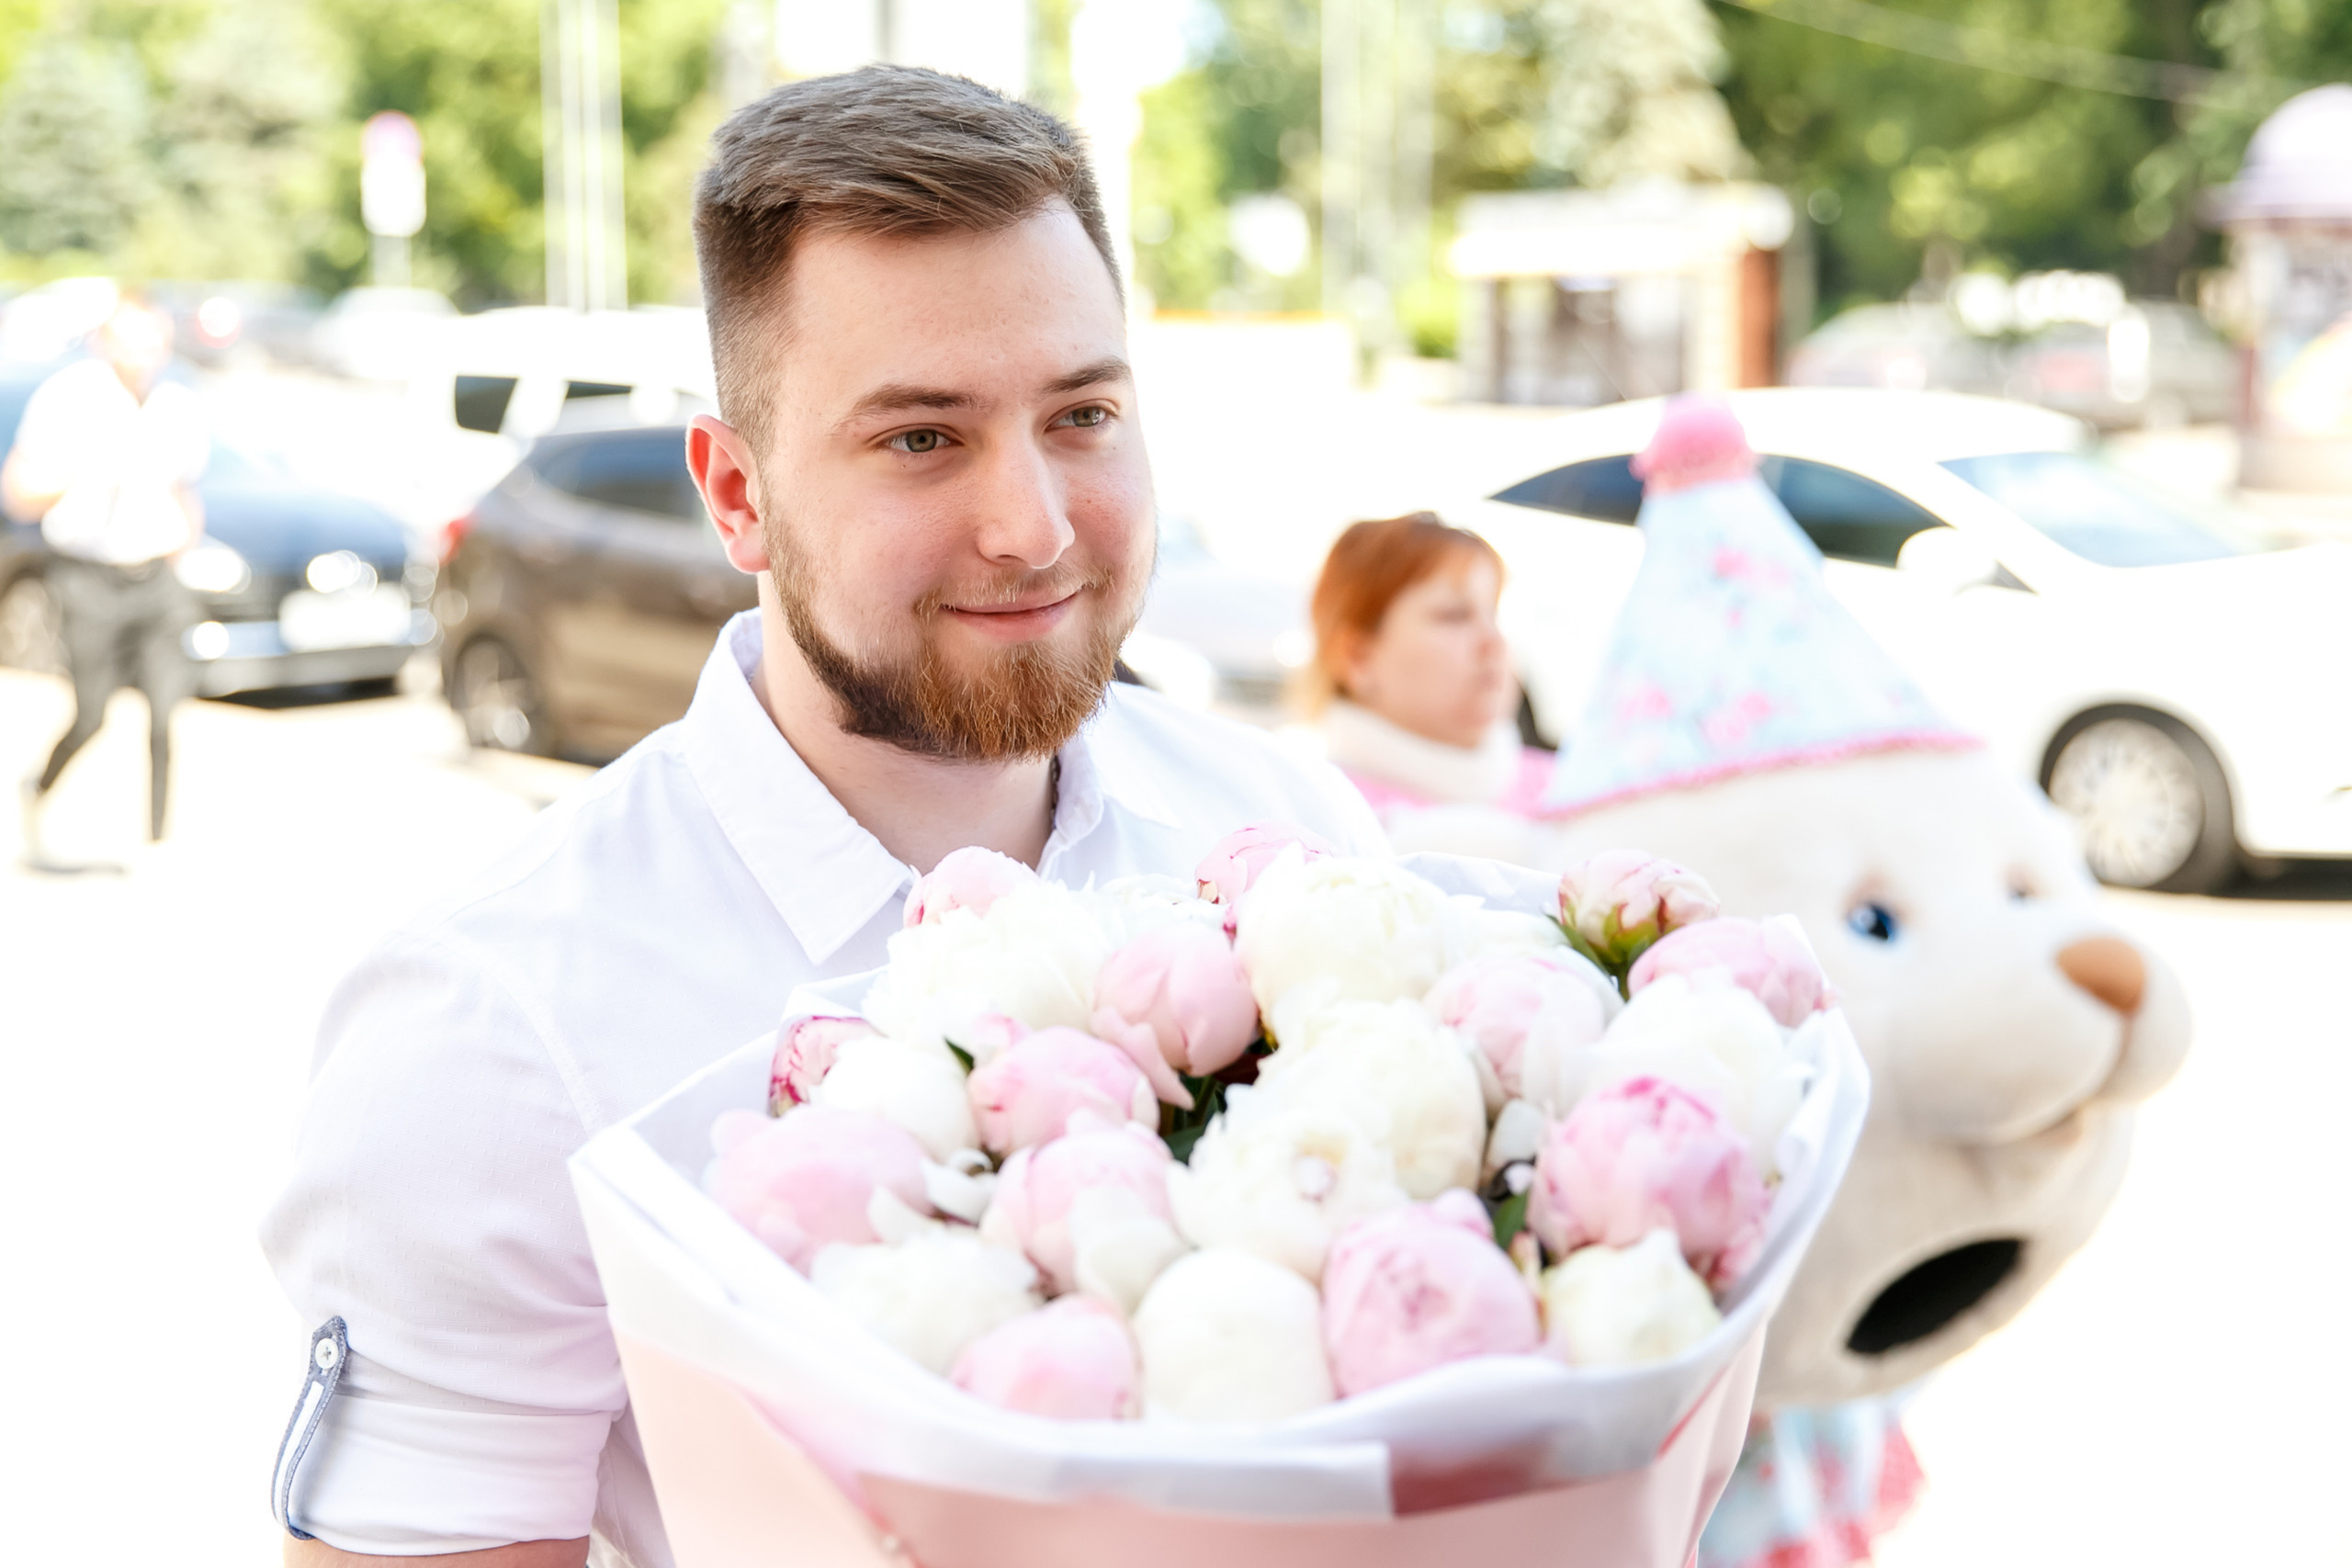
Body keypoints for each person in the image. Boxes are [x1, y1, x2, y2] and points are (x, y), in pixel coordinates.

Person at [260, 66, 1383, 1568]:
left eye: (1084, 412)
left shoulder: (1292, 835)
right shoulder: (493, 1027)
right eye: (923, 437)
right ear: (735, 494)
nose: (1036, 523)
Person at [3, 297, 208, 859]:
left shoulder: (175, 405)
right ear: (104, 343)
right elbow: (19, 491)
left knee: (166, 711)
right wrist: (87, 464)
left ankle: (157, 843)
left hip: (155, 577)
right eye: (132, 342)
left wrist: (185, 545)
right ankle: (38, 787)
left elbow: (183, 487)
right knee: (92, 712)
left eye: (154, 342)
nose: (145, 356)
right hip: (87, 576)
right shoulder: (69, 399)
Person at [1302, 511, 1555, 863]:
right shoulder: (1320, 821)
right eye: (1453, 615)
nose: (1493, 641)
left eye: (1495, 614)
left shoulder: (1576, 788)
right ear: (1358, 657)